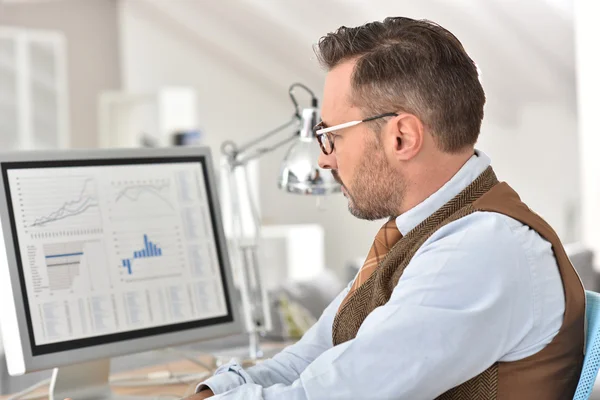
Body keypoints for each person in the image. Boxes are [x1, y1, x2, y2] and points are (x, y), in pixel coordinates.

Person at [189, 17, 584, 399]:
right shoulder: (422, 231)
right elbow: (308, 358)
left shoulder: (482, 249)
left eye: (329, 136)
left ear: (402, 137)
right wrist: (214, 390)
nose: (323, 160)